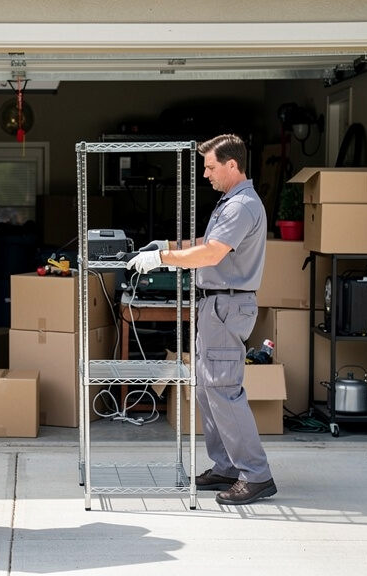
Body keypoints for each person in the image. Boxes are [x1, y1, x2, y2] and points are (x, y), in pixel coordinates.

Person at [126, 134, 277, 506]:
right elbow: (205, 241)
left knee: (223, 389)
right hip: (216, 306)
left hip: (226, 305)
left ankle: (256, 475)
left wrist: (162, 261)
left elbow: (211, 254)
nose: (206, 173)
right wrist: (165, 246)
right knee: (207, 389)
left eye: (210, 166)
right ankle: (226, 466)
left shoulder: (241, 206)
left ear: (232, 165)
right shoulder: (231, 203)